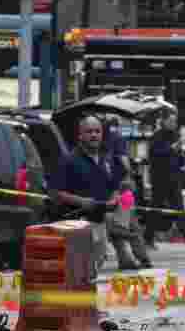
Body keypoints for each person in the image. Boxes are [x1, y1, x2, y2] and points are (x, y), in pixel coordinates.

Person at [49, 115, 121, 281]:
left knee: (94, 269)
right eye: (89, 132)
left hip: (100, 223)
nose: (94, 135)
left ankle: (85, 304)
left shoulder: (106, 159)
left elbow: (115, 186)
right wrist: (81, 201)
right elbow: (55, 192)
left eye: (97, 131)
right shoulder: (69, 160)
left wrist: (115, 199)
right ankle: (75, 304)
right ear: (80, 135)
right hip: (77, 225)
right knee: (78, 271)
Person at [147, 112, 185, 251]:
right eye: (171, 121)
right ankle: (147, 238)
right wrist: (171, 149)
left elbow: (177, 158)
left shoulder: (175, 136)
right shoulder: (157, 136)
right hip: (160, 178)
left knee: (178, 209)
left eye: (175, 121)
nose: (174, 124)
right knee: (156, 209)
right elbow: (155, 154)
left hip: (174, 178)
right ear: (164, 121)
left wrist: (182, 157)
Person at [103, 117, 153, 270]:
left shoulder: (98, 141)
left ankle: (125, 258)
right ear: (117, 126)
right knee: (130, 224)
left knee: (117, 226)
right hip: (122, 187)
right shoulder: (118, 138)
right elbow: (124, 160)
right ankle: (142, 257)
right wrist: (130, 174)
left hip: (105, 189)